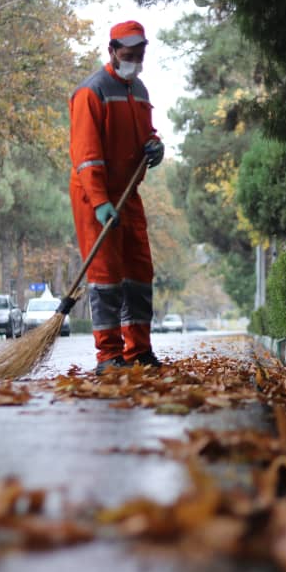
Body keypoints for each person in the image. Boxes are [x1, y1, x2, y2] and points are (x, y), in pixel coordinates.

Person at [68, 20, 165, 374]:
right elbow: (86, 156)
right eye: (128, 55)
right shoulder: (91, 92)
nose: (134, 61)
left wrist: (155, 147)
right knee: (106, 275)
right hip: (94, 196)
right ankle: (108, 356)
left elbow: (146, 136)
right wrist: (99, 202)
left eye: (139, 55)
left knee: (140, 271)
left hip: (128, 194)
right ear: (111, 51)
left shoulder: (139, 89)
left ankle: (138, 350)